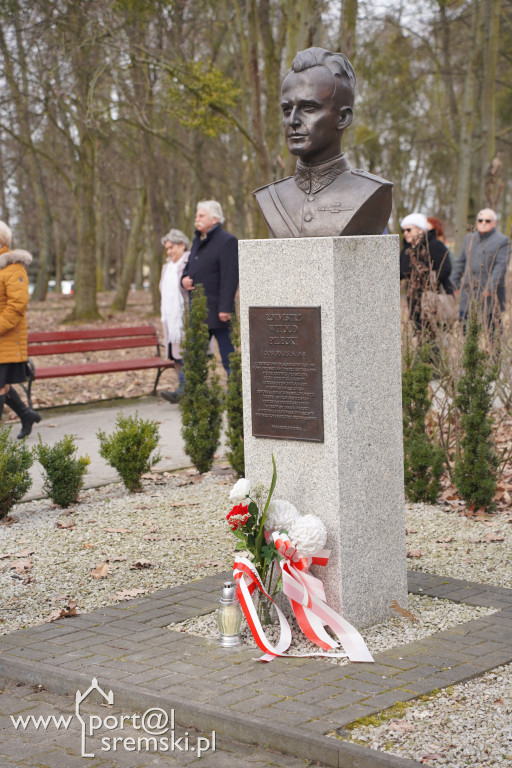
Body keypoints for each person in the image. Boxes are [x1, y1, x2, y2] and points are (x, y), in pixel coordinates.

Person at [253, 46, 392, 237]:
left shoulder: (371, 191)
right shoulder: (270, 197)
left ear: (342, 118)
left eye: (308, 108)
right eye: (287, 110)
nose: (293, 121)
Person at [181, 200, 238, 376]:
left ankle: (236, 394)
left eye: (201, 215)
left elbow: (230, 277)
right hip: (199, 312)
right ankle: (184, 393)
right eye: (196, 215)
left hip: (219, 313)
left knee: (228, 358)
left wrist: (225, 308)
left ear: (214, 219)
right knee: (193, 357)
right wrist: (184, 279)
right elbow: (188, 268)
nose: (196, 219)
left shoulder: (227, 241)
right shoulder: (197, 241)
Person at [0, 221, 41, 438]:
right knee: (2, 386)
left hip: (6, 339)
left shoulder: (14, 268)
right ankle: (25, 414)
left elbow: (16, 307)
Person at [451, 208, 511, 333]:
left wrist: (489, 287)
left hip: (490, 296)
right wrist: (453, 283)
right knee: (466, 330)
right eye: (480, 220)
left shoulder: (503, 241)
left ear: (494, 223)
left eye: (487, 220)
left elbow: (500, 266)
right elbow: (460, 262)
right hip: (468, 293)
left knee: (492, 333)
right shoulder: (469, 238)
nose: (483, 222)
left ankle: (493, 353)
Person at [399, 212, 454, 334]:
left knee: (435, 341)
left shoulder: (435, 246)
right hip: (414, 303)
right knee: (420, 340)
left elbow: (445, 269)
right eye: (403, 230)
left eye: (409, 230)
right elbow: (399, 273)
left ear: (420, 230)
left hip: (434, 301)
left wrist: (424, 281)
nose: (405, 233)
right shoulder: (406, 251)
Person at [159, 229, 190, 404]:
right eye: (167, 249)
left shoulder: (189, 262)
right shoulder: (166, 268)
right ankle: (183, 391)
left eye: (172, 247)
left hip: (184, 317)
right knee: (176, 355)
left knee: (187, 354)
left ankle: (182, 392)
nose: (169, 252)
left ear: (182, 245)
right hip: (170, 320)